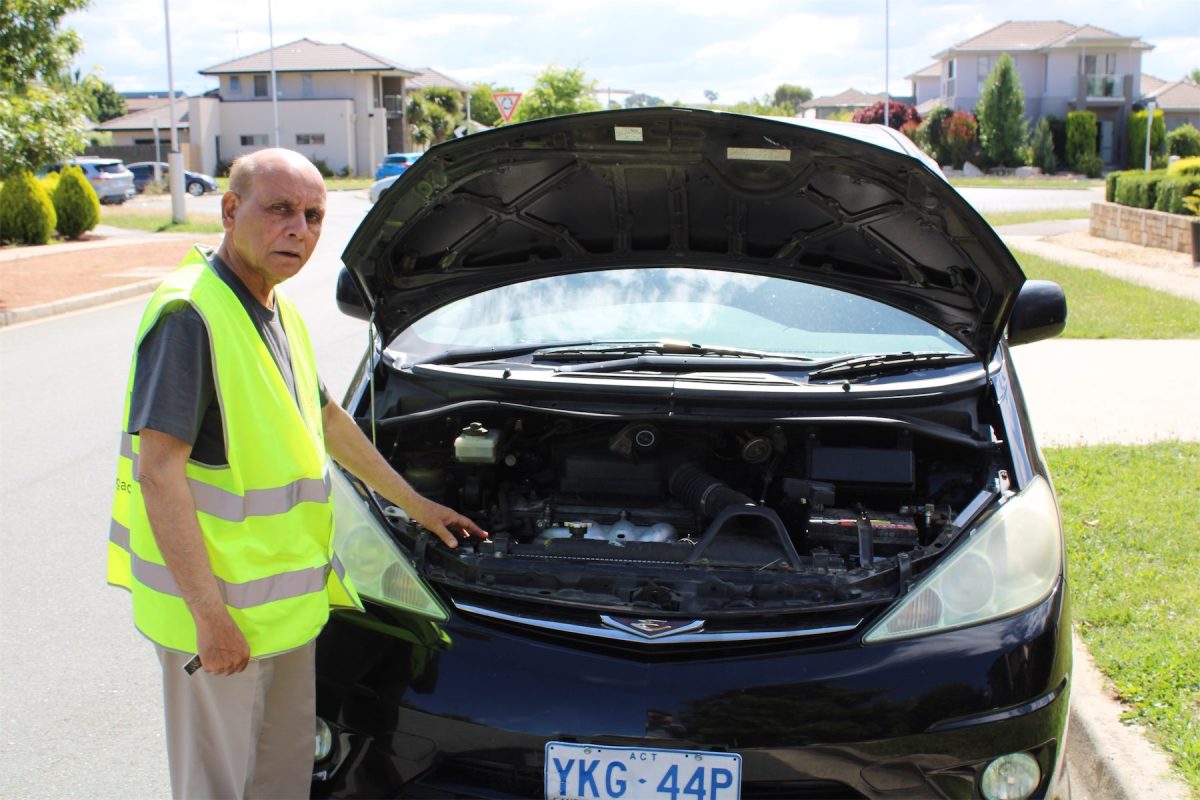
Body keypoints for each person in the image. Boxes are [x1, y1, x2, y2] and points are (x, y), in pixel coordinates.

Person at [107, 148, 487, 799]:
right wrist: (209, 617)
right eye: (280, 210)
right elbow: (157, 474)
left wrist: (415, 503)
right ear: (230, 211)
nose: (300, 230)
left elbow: (330, 420)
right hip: (219, 624)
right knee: (218, 787)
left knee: (283, 782)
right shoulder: (190, 316)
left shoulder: (274, 309)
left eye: (313, 216)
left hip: (283, 618)